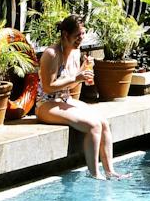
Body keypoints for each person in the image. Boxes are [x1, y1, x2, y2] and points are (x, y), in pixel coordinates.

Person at [35, 14, 128, 180]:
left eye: (83, 34)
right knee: (93, 125)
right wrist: (76, 78)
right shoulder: (51, 54)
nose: (81, 38)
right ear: (65, 34)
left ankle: (110, 171)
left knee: (104, 122)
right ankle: (95, 174)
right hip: (46, 104)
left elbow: (70, 85)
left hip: (65, 100)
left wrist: (83, 74)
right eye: (78, 35)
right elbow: (48, 87)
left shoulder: (76, 52)